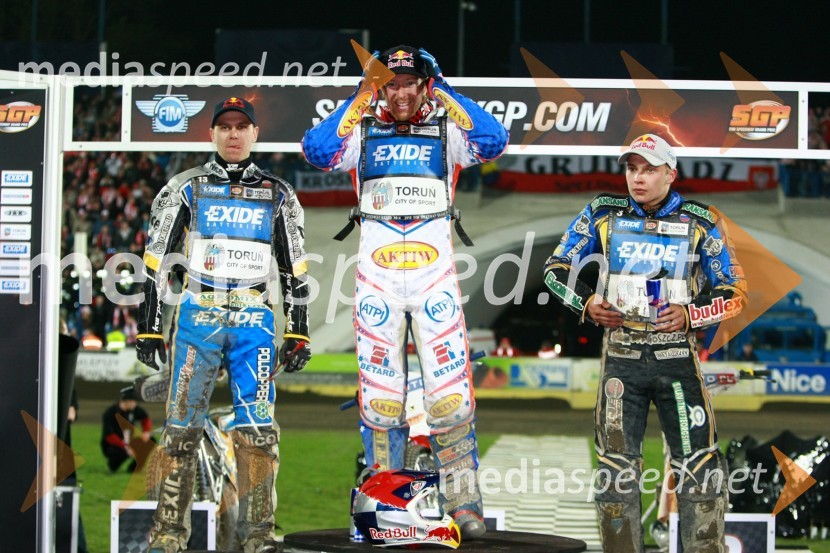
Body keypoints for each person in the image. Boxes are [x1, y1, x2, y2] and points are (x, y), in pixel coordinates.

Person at [302, 45, 508, 538]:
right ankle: (384, 504)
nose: (400, 93)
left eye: (410, 83)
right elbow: (317, 151)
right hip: (377, 282)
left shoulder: (446, 130)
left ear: (424, 84)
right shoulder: (362, 131)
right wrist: (361, 93)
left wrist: (445, 90)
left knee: (451, 397)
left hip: (434, 279)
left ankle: (464, 503)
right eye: (390, 84)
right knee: (381, 401)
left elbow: (494, 140)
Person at [543, 134, 747, 553]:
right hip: (622, 361)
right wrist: (587, 303)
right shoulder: (603, 212)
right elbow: (555, 268)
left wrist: (691, 314)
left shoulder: (701, 220)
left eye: (649, 169)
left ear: (670, 174)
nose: (637, 178)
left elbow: (735, 290)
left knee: (699, 468)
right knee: (615, 472)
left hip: (677, 362)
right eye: (632, 168)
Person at [136, 96, 311, 553]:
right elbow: (156, 259)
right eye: (225, 126)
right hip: (198, 314)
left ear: (255, 133)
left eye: (241, 126)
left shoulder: (278, 192)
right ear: (211, 133)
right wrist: (149, 325)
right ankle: (168, 536)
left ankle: (259, 536)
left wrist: (298, 329)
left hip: (255, 318)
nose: (233, 134)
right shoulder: (186, 186)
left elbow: (294, 267)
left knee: (258, 433)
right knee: (180, 430)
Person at [100, 388, 153, 473]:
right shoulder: (110, 413)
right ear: (126, 401)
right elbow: (109, 436)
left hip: (129, 442)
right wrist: (126, 446)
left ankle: (134, 469)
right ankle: (113, 466)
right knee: (116, 453)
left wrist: (146, 431)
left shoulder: (135, 410)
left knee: (150, 440)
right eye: (133, 401)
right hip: (114, 445)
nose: (135, 404)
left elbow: (145, 419)